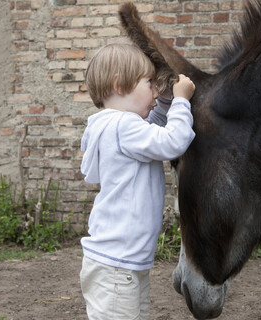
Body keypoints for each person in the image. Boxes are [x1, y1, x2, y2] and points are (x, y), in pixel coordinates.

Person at [79, 42, 196, 320]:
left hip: (121, 263)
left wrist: (165, 101)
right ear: (120, 85)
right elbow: (172, 142)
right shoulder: (123, 126)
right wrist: (181, 101)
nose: (155, 90)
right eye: (149, 83)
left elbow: (152, 126)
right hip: (118, 265)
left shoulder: (111, 125)